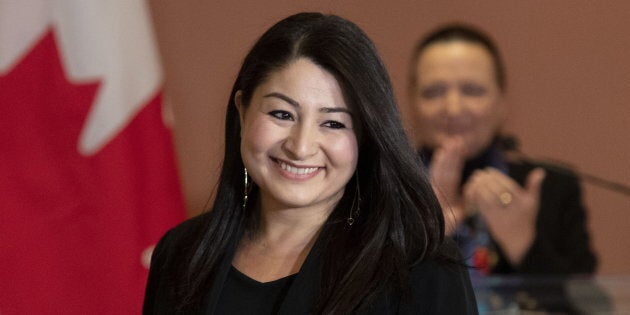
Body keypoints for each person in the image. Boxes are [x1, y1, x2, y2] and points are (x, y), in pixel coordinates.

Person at [143, 13, 477, 314]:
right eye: (282, 114)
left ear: (365, 136)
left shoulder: (421, 268)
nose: (301, 147)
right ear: (243, 111)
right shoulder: (182, 253)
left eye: (333, 123)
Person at [408, 24, 597, 276]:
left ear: (501, 101)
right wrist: (426, 238)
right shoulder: (381, 188)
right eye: (434, 92)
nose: (453, 109)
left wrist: (522, 242)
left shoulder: (554, 189)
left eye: (472, 90)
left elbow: (584, 305)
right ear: (412, 102)